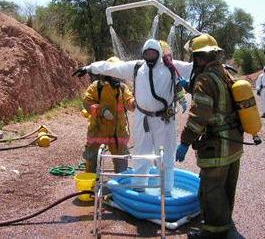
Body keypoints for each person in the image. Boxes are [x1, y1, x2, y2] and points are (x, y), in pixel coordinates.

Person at [73, 39, 192, 195]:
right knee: (141, 155)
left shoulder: (170, 66)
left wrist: (217, 67)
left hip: (164, 121)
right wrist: (89, 68)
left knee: (166, 157)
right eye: (146, 53)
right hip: (142, 119)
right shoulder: (137, 67)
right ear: (143, 54)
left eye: (153, 53)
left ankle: (166, 191)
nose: (149, 56)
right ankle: (138, 188)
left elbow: (193, 68)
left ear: (159, 53)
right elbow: (112, 67)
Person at [176, 34, 243, 239]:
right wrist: (189, 85)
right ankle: (224, 224)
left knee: (211, 189)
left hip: (217, 146)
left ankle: (213, 233)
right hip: (234, 144)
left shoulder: (205, 78)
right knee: (226, 187)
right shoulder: (225, 73)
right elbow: (218, 96)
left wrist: (185, 142)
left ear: (197, 57)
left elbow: (199, 117)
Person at [75, 57, 135, 174]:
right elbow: (87, 102)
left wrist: (135, 103)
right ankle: (91, 185)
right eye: (114, 73)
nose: (117, 76)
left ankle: (120, 185)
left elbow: (129, 102)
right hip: (97, 130)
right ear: (107, 73)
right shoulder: (96, 87)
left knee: (121, 161)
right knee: (91, 158)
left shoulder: (122, 88)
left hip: (118, 133)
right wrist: (101, 111)